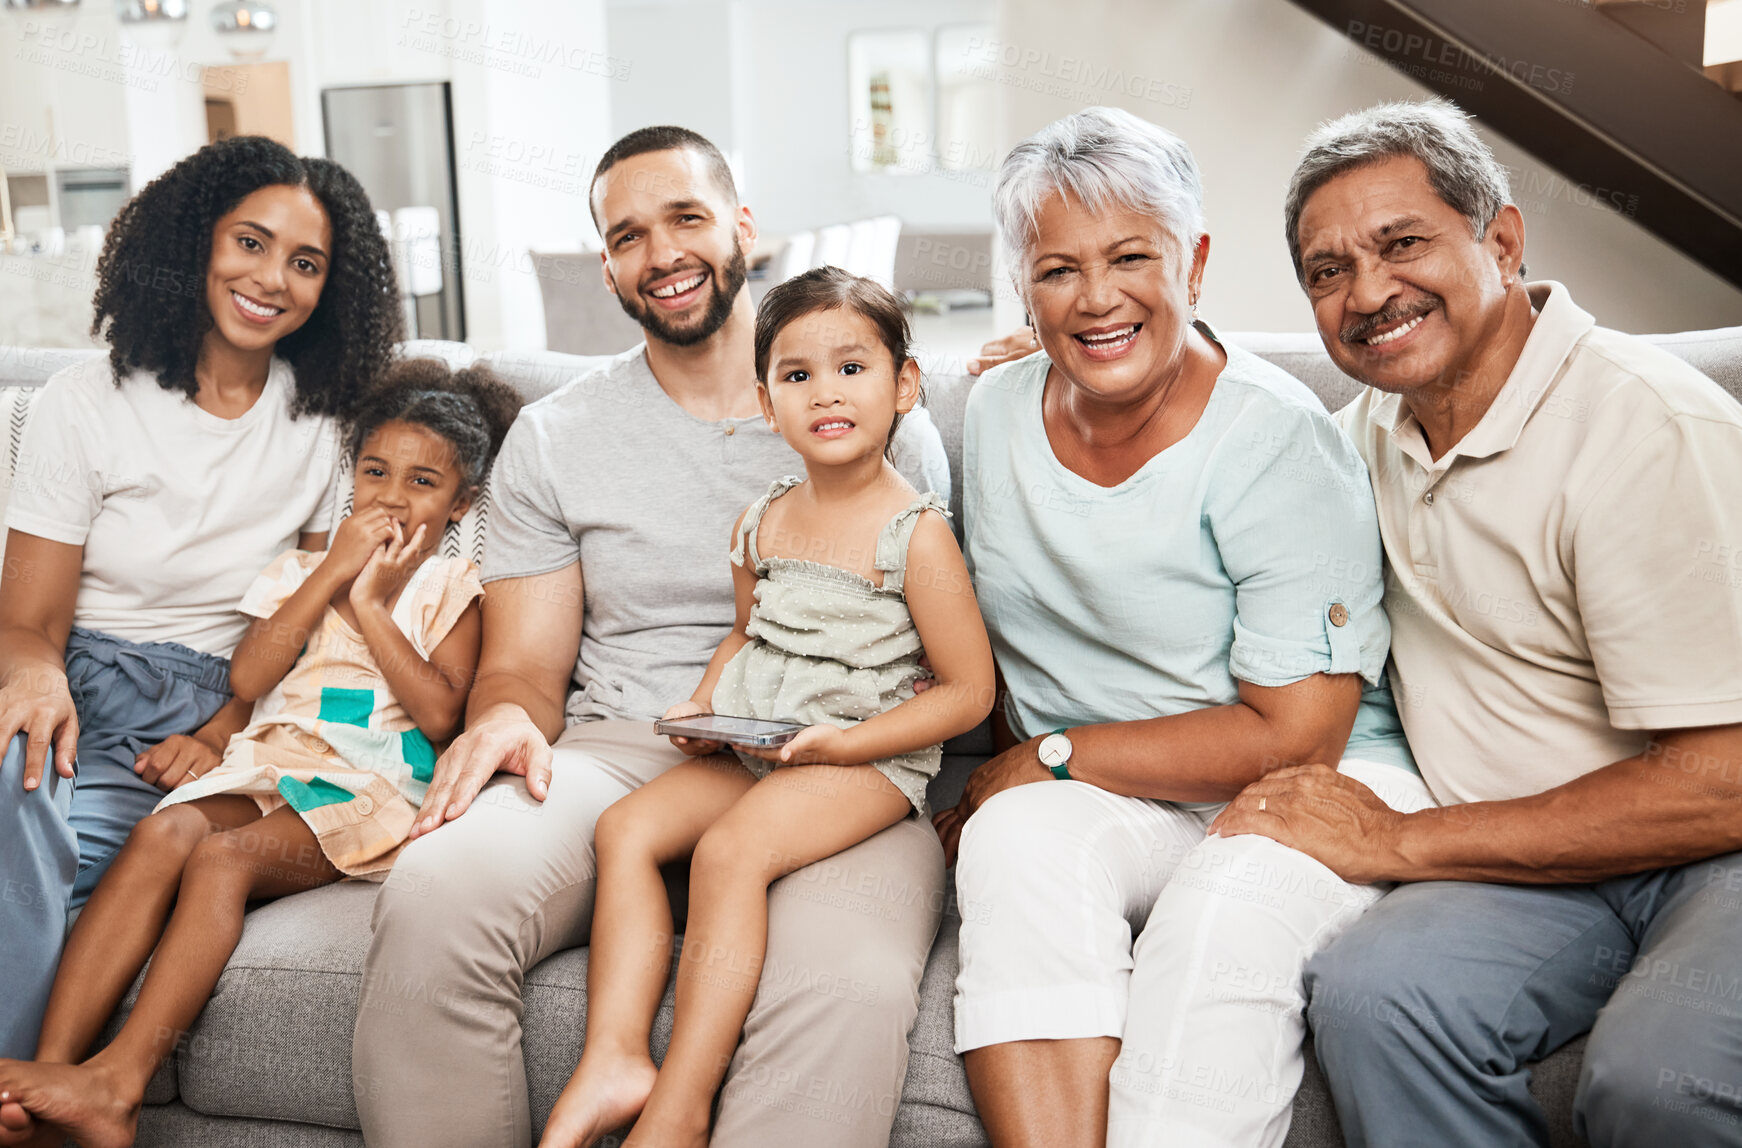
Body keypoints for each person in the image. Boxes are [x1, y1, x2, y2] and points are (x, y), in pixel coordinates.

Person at [349, 126, 1026, 1148]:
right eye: (627, 235)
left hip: (848, 752)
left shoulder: (872, 413)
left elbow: (937, 656)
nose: (661, 252)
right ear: (610, 264)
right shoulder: (558, 434)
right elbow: (527, 664)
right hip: (636, 741)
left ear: (742, 228)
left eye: (686, 219)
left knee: (839, 985)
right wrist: (495, 720)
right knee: (437, 888)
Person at [1214, 99, 1742, 1147]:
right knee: (1376, 997)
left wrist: (1399, 837)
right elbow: (1200, 468)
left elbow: (1721, 780)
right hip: (1532, 863)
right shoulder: (1347, 443)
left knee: (1657, 1079)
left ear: (1499, 239)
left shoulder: (1651, 427)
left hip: (1716, 846)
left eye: (1400, 243)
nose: (1367, 293)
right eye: (1326, 271)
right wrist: (1071, 371)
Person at [935, 106, 1437, 1148]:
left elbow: (1298, 736)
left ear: (1193, 261)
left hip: (1307, 779)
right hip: (1115, 789)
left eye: (1130, 256)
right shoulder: (987, 413)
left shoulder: (1273, 439)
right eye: (1055, 269)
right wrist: (1020, 771)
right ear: (1021, 286)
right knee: (1012, 840)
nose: (1095, 297)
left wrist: (1049, 754)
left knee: (1213, 925)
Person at [0, 361, 519, 1148]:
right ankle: (51, 1072)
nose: (390, 495)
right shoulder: (303, 573)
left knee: (222, 860)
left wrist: (373, 604)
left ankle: (121, 1081)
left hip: (370, 786)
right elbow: (248, 676)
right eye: (375, 472)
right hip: (272, 762)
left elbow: (444, 711)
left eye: (421, 482)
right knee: (162, 834)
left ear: (462, 504)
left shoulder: (453, 584)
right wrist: (335, 576)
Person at [539, 267, 993, 1148]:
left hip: (863, 760)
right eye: (797, 375)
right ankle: (615, 1054)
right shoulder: (762, 521)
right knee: (626, 829)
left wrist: (845, 744)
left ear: (903, 385)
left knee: (729, 853)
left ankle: (681, 1102)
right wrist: (706, 706)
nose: (826, 392)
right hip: (764, 744)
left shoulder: (915, 532)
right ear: (765, 401)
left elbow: (971, 690)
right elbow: (745, 636)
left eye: (852, 368)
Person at [0, 135, 400, 1064]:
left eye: (306, 263)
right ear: (193, 243)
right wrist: (32, 677)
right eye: (249, 243)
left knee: (55, 862)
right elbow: (27, 622)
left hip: (204, 704)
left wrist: (221, 730)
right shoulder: (84, 401)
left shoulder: (322, 425)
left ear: (330, 291)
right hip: (69, 681)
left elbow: (294, 628)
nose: (273, 279)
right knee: (17, 782)